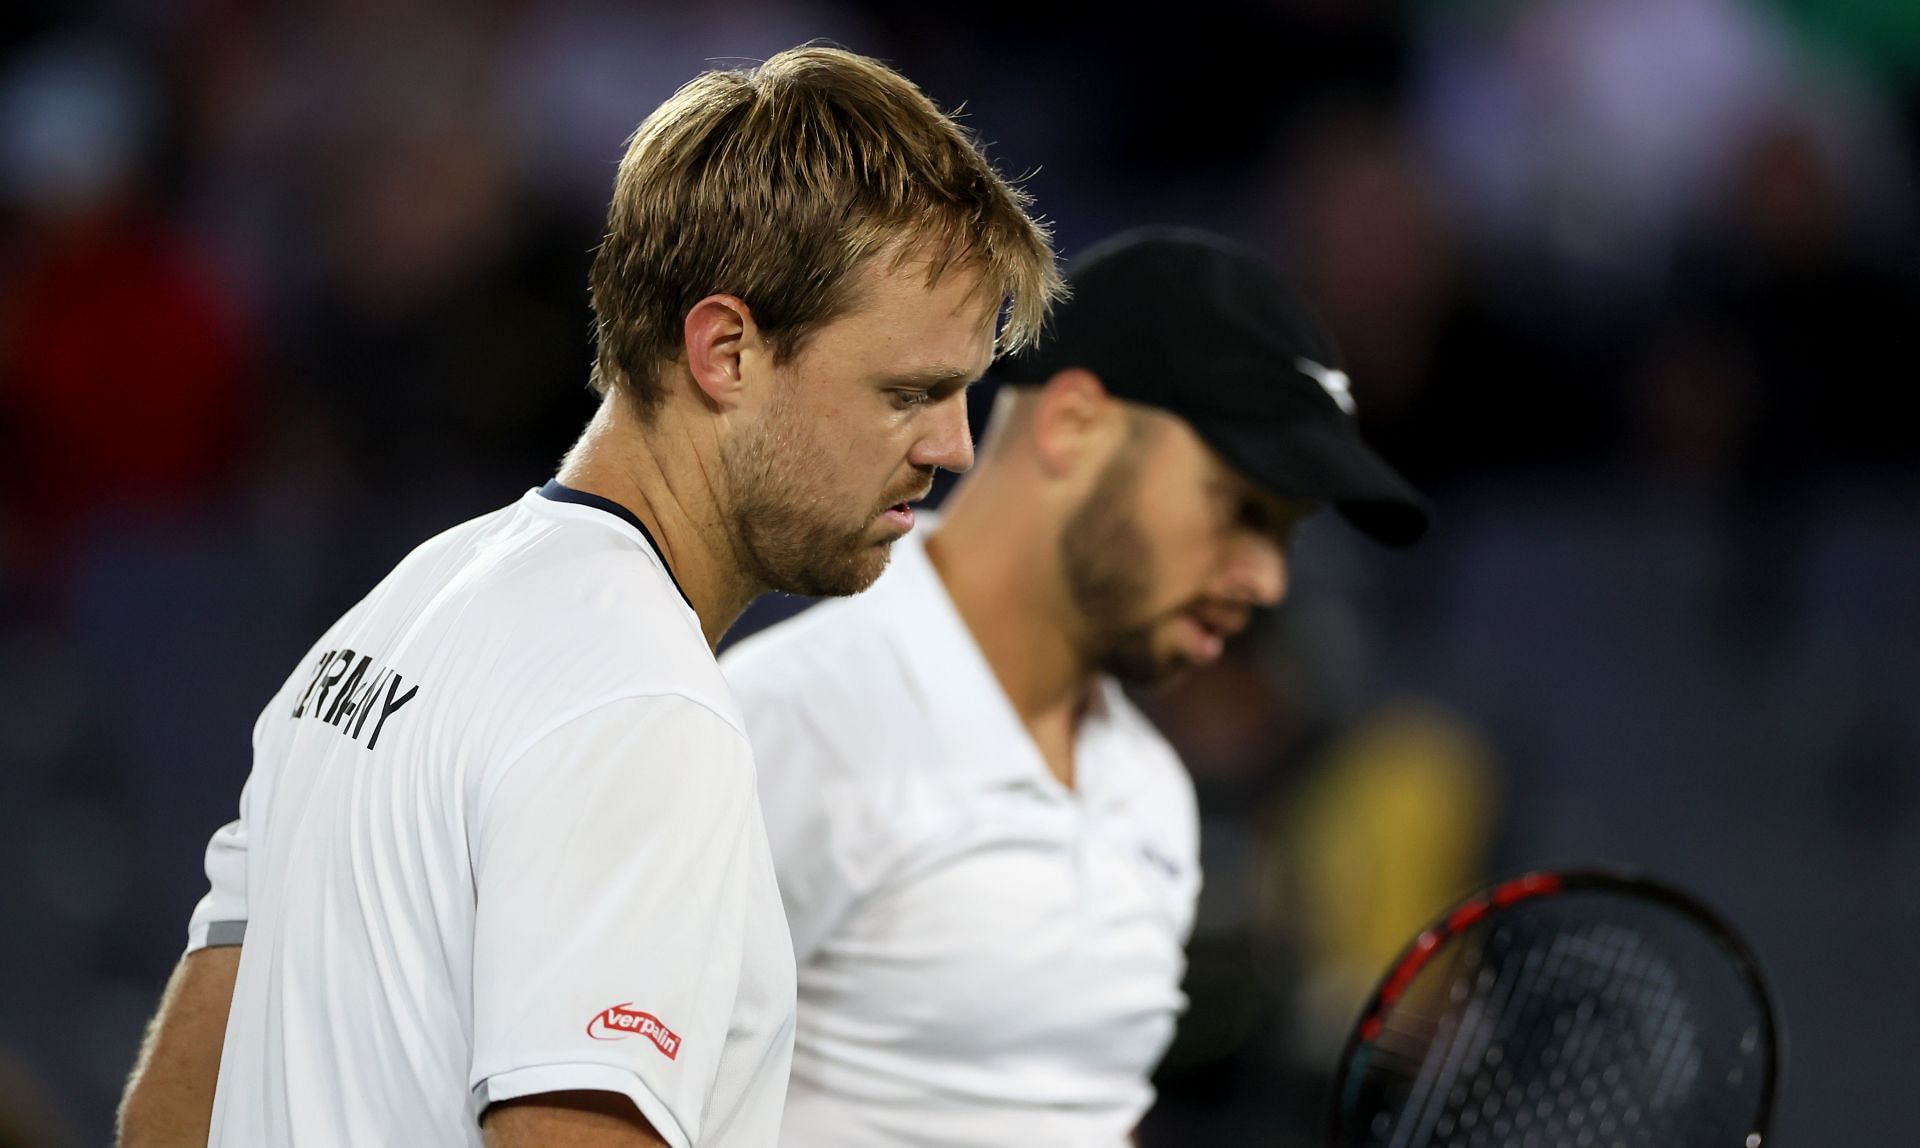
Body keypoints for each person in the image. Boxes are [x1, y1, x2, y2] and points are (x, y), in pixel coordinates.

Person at [116, 46, 1061, 1148]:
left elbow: (172, 1111)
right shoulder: (639, 707)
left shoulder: (396, 609)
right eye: (910, 391)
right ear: (726, 351)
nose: (950, 446)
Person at [719, 227, 1429, 1146]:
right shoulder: (788, 729)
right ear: (1073, 426)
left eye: (1284, 533)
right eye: (1239, 509)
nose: (1266, 580)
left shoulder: (1150, 795)